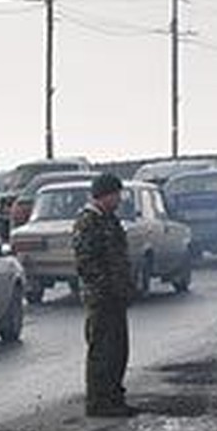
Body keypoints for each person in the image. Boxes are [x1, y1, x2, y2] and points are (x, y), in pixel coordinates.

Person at [72, 171, 137, 417]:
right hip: (101, 299)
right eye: (116, 194)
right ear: (105, 195)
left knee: (118, 350)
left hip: (115, 297)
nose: (119, 199)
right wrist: (107, 289)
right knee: (102, 351)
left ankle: (114, 397)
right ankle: (99, 402)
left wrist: (125, 288)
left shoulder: (109, 219)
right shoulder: (89, 222)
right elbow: (87, 263)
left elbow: (118, 258)